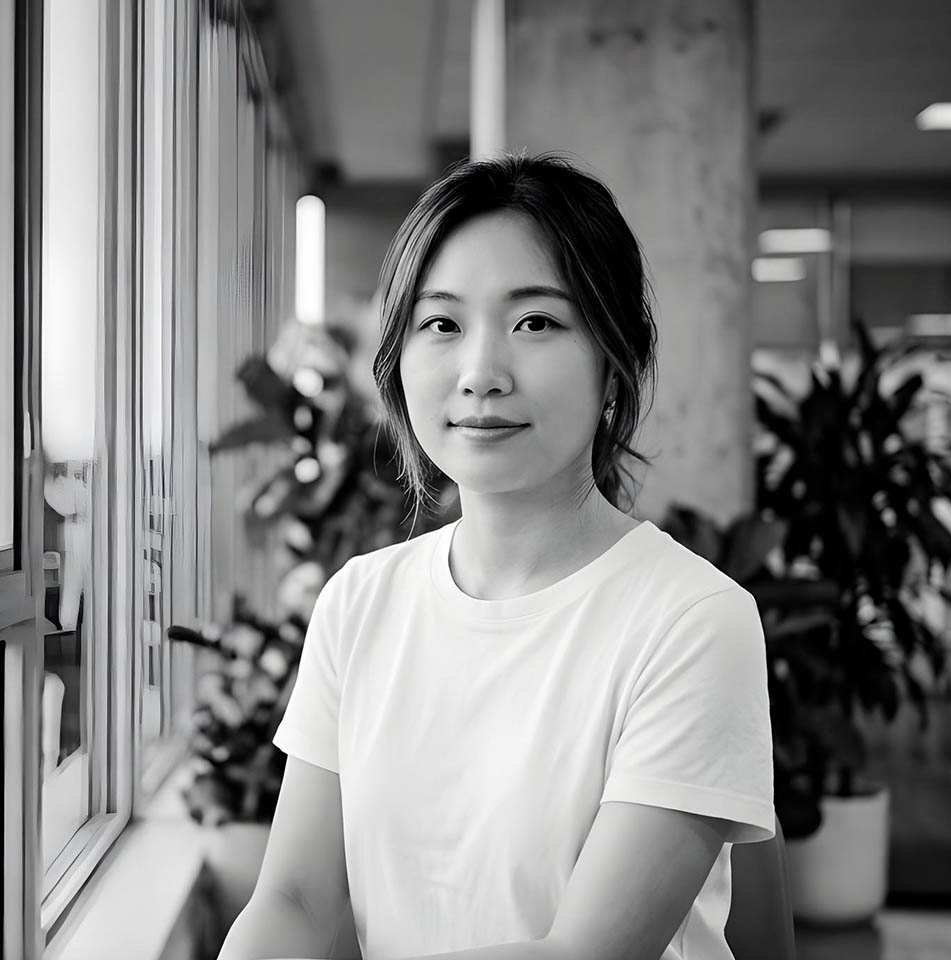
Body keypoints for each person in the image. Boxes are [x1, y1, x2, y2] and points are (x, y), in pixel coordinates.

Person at [217, 153, 774, 960]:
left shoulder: (692, 620)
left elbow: (584, 954)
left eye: (537, 323)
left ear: (613, 366)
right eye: (441, 324)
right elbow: (295, 901)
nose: (481, 373)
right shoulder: (360, 601)